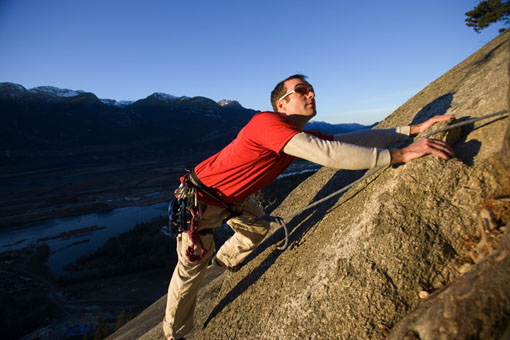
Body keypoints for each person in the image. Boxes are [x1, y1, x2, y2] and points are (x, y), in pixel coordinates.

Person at [163, 74, 454, 340]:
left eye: (311, 89)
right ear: (282, 103)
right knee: (190, 270)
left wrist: (410, 129)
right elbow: (327, 153)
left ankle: (225, 260)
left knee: (259, 225)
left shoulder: (293, 135)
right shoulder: (267, 123)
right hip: (200, 203)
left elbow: (349, 141)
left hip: (230, 200)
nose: (311, 94)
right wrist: (400, 154)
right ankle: (172, 334)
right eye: (302, 90)